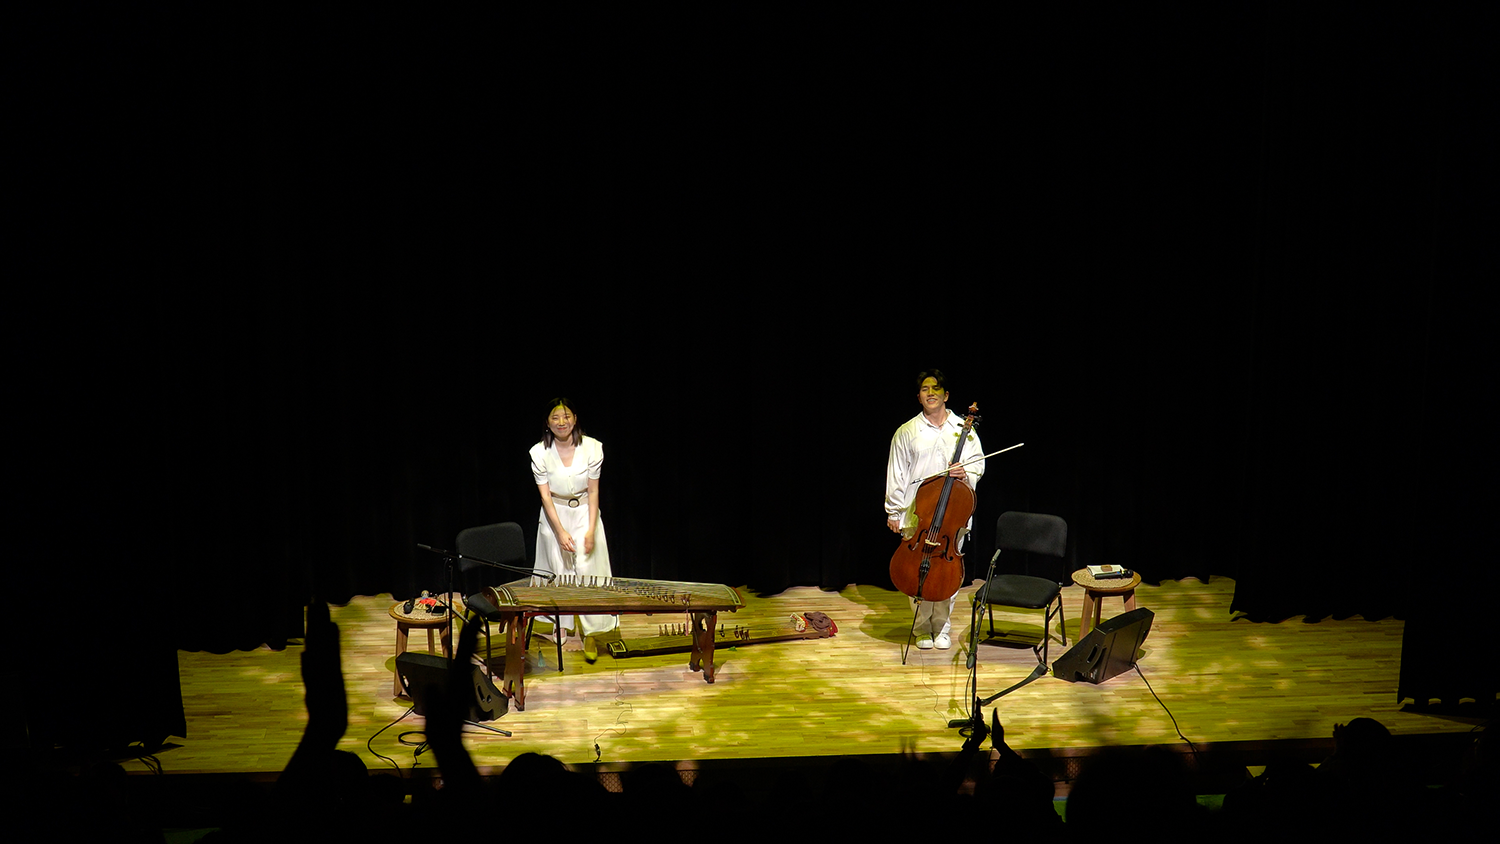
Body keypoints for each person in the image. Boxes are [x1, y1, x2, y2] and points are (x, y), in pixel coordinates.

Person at [885, 370, 984, 650]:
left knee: (946, 573)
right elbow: (896, 473)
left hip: (952, 517)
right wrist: (893, 511)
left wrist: (965, 472)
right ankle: (921, 628)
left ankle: (942, 627)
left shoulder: (963, 429)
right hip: (919, 514)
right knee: (916, 572)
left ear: (946, 395)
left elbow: (978, 465)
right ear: (918, 397)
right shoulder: (907, 431)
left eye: (936, 388)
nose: (931, 393)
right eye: (925, 389)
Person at [530, 398, 617, 660]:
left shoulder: (592, 448)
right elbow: (545, 496)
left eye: (566, 416)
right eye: (555, 417)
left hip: (584, 512)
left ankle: (591, 632)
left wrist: (590, 530)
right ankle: (562, 625)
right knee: (559, 570)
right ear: (547, 422)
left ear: (575, 419)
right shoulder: (539, 453)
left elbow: (594, 491)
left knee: (589, 570)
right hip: (555, 514)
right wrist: (559, 532)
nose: (561, 422)